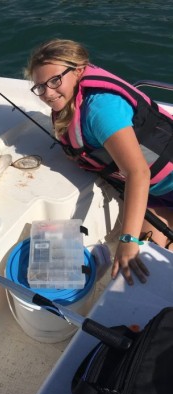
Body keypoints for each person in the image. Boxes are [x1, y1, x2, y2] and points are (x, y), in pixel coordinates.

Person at [25, 39, 173, 285]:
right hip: (160, 190)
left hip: (163, 183)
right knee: (147, 254)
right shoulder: (74, 101)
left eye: (54, 81)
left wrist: (128, 241)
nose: (48, 93)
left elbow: (138, 173)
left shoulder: (101, 110)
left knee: (141, 254)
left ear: (79, 71)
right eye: (40, 87)